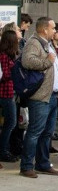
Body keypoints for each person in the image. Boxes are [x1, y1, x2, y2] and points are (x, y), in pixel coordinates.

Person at [19, 17, 58, 178]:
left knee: (47, 132)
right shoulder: (34, 43)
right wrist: (47, 61)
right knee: (35, 131)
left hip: (53, 95)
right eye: (53, 28)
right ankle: (26, 166)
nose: (55, 31)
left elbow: (56, 70)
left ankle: (43, 163)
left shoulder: (48, 44)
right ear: (44, 29)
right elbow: (27, 61)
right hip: (40, 96)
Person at [0, 27, 19, 163]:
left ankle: (4, 149)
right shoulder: (4, 56)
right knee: (11, 122)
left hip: (8, 93)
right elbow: (5, 74)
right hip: (5, 93)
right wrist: (15, 70)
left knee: (10, 122)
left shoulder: (7, 55)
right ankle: (3, 150)